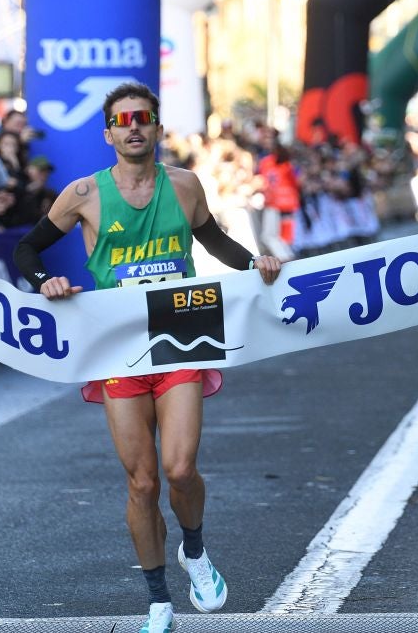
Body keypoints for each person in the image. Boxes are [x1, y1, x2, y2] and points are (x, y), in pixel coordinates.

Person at [14, 82, 281, 633]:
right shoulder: (85, 193)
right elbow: (27, 249)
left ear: (158, 128)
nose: (134, 126)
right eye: (123, 119)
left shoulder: (184, 185)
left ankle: (196, 550)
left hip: (183, 329)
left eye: (144, 118)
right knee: (142, 483)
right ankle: (158, 600)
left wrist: (256, 263)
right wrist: (46, 281)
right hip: (118, 343)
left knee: (180, 469)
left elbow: (215, 243)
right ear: (109, 132)